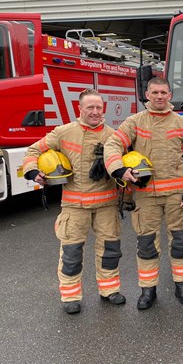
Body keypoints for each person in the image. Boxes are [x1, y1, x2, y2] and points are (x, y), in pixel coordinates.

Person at [23, 89, 125, 314]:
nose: (95, 112)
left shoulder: (114, 136)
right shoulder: (63, 133)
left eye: (99, 107)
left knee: (110, 250)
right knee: (71, 253)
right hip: (74, 206)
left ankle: (109, 290)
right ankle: (70, 296)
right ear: (79, 109)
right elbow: (33, 151)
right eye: (90, 107)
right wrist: (32, 172)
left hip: (107, 205)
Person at [104, 77, 183, 310]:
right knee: (146, 244)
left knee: (180, 242)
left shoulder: (182, 124)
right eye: (155, 92)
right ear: (147, 94)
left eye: (163, 92)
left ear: (170, 96)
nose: (159, 96)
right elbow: (113, 144)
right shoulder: (134, 122)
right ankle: (148, 291)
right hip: (145, 195)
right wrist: (119, 169)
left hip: (178, 196)